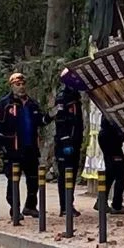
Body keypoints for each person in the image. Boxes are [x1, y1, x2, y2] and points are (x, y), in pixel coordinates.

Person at [0, 72, 53, 220]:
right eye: (17, 84)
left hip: (30, 148)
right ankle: (15, 209)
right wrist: (2, 150)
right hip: (13, 149)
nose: (21, 87)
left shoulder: (32, 103)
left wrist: (51, 116)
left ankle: (30, 206)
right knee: (13, 180)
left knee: (33, 179)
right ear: (12, 86)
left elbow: (41, 121)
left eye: (23, 84)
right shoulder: (4, 104)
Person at [53, 79, 84, 217]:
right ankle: (64, 206)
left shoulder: (75, 97)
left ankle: (69, 204)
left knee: (71, 174)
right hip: (65, 143)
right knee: (65, 175)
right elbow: (60, 121)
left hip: (74, 142)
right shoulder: (63, 98)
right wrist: (65, 141)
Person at [97, 116, 124, 214]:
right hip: (111, 139)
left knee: (111, 173)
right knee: (121, 173)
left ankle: (101, 201)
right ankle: (117, 205)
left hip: (106, 136)